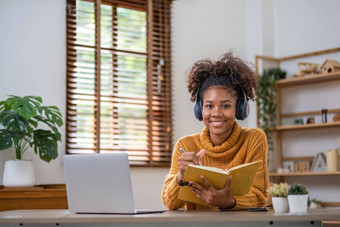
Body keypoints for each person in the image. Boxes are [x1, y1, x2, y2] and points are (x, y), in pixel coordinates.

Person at [162, 52, 269, 210]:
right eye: (209, 106)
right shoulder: (186, 145)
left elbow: (259, 195)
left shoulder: (254, 139)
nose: (216, 113)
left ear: (239, 108)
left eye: (225, 106)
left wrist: (229, 202)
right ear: (200, 109)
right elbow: (169, 203)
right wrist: (180, 177)